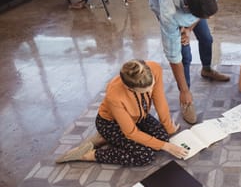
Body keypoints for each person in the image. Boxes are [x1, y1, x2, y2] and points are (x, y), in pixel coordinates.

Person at [55, 59, 188, 165]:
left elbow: (160, 100)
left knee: (163, 137)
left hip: (139, 116)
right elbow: (131, 133)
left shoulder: (154, 69)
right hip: (110, 123)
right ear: (129, 88)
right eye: (144, 91)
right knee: (145, 155)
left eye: (151, 86)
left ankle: (104, 139)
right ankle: (89, 155)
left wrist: (169, 127)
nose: (150, 91)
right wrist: (167, 147)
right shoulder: (114, 94)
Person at [149, 0, 230, 125]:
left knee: (206, 38)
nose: (209, 19)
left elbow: (203, 14)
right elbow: (173, 55)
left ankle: (206, 70)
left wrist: (190, 28)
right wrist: (184, 91)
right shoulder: (169, 12)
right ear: (187, 8)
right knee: (184, 53)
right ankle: (186, 99)